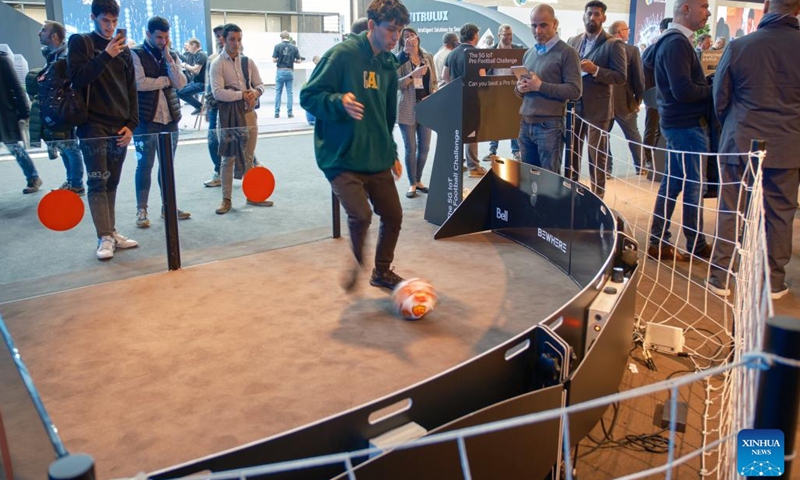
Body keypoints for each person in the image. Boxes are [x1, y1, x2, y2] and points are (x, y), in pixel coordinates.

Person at [300, 0, 408, 292]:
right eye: (390, 30)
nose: (395, 37)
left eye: (399, 31)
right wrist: (339, 102)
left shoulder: (387, 64)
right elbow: (308, 96)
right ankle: (358, 262)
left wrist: (393, 153)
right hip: (341, 156)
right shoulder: (341, 55)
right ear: (372, 26)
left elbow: (387, 117)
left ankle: (382, 272)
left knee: (394, 216)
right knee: (361, 215)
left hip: (376, 156)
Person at [707, 0, 800, 300]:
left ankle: (721, 276)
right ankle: (773, 281)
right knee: (781, 214)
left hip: (741, 141)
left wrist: (733, 125)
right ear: (797, 10)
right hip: (788, 146)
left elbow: (719, 97)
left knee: (731, 209)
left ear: (765, 6)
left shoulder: (739, 46)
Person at [68, 0, 139, 260]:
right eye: (105, 21)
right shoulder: (81, 42)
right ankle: (104, 236)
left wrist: (132, 124)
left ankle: (110, 231)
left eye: (114, 21)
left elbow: (131, 89)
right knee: (98, 180)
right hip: (92, 124)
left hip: (119, 125)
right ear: (93, 18)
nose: (110, 27)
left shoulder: (124, 50)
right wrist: (106, 54)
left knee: (113, 181)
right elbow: (78, 79)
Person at [642, 0, 712, 262]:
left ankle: (658, 240)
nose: (708, 12)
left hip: (676, 123)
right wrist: (713, 90)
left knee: (672, 184)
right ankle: (695, 244)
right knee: (693, 186)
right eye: (703, 6)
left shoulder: (671, 41)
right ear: (685, 8)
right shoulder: (676, 43)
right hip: (685, 125)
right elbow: (683, 91)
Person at [131, 16, 191, 228]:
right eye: (159, 37)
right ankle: (142, 209)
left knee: (167, 166)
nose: (163, 41)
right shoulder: (136, 54)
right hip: (146, 119)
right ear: (148, 34)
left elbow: (181, 83)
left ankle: (169, 206)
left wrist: (168, 59)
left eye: (166, 37)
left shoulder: (171, 54)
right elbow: (139, 83)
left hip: (170, 119)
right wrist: (166, 81)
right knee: (144, 164)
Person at [567, 0, 627, 198]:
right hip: (575, 105)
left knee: (596, 157)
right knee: (572, 153)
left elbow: (620, 77)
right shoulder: (573, 41)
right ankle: (571, 194)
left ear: (603, 18)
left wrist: (596, 70)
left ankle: (598, 198)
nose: (592, 17)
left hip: (598, 109)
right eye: (589, 13)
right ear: (584, 16)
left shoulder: (613, 44)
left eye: (596, 14)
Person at [210, 23, 270, 214]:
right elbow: (218, 93)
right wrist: (242, 94)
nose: (236, 43)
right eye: (232, 39)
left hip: (249, 114)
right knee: (228, 158)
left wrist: (255, 92)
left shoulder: (248, 62)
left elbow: (261, 85)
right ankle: (226, 199)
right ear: (223, 40)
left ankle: (253, 195)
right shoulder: (217, 64)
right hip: (228, 117)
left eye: (239, 39)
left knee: (249, 156)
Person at [514, 4, 581, 173]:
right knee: (528, 179)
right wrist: (520, 88)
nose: (538, 31)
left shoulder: (567, 52)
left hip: (549, 126)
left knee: (549, 182)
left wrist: (540, 86)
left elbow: (575, 90)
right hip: (525, 124)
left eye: (543, 25)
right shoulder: (529, 53)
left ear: (554, 24)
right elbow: (522, 92)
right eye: (534, 25)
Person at [38, 20, 84, 194]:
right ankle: (72, 180)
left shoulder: (64, 56)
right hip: (57, 109)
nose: (39, 34)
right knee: (65, 147)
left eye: (43, 30)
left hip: (65, 110)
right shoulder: (53, 56)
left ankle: (77, 184)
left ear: (54, 36)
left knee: (71, 146)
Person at [442, 22, 487, 178]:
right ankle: (473, 166)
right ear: (474, 35)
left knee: (457, 132)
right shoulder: (476, 54)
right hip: (472, 99)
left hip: (456, 99)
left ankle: (457, 165)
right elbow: (482, 77)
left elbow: (444, 76)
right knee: (472, 133)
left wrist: (454, 87)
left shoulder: (452, 53)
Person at [397, 26, 437, 198]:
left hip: (425, 106)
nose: (410, 38)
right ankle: (412, 183)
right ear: (402, 41)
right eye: (406, 37)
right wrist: (413, 74)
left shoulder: (427, 57)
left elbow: (434, 81)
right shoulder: (399, 59)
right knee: (410, 147)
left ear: (418, 37)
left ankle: (419, 179)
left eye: (412, 35)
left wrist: (433, 95)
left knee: (425, 147)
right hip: (407, 107)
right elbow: (397, 84)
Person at [0, 51, 42, 194]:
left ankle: (33, 177)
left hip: (3, 115)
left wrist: (25, 112)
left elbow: (16, 87)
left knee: (14, 147)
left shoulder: (2, 59)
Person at [609, 20, 645, 175]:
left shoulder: (603, 48)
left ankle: (605, 169)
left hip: (605, 103)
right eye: (627, 29)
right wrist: (638, 100)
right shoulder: (631, 51)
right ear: (620, 32)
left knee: (603, 137)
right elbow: (639, 79)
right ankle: (641, 167)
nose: (629, 32)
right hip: (625, 102)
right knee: (633, 136)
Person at [483, 24, 524, 163]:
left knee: (513, 121)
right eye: (506, 34)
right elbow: (484, 70)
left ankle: (516, 151)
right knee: (496, 121)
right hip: (495, 91)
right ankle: (492, 150)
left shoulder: (518, 50)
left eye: (510, 34)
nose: (509, 37)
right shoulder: (491, 51)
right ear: (499, 35)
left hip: (513, 91)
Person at [642, 17, 671, 172]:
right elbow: (645, 72)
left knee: (660, 128)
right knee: (651, 127)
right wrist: (647, 94)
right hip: (653, 95)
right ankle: (646, 158)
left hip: (665, 96)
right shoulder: (653, 49)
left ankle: (655, 157)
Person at [203, 25, 225, 188]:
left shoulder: (241, 58)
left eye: (221, 35)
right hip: (214, 105)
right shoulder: (212, 58)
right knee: (212, 140)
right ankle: (219, 171)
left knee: (240, 140)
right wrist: (206, 105)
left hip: (231, 106)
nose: (219, 38)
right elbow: (207, 84)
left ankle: (254, 166)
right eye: (216, 36)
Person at [272, 31, 302, 119]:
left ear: (281, 37)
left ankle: (277, 113)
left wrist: (280, 60)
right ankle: (290, 113)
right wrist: (293, 61)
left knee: (278, 92)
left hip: (280, 71)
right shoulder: (294, 47)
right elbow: (299, 60)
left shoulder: (277, 46)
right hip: (289, 71)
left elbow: (274, 60)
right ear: (289, 37)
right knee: (290, 93)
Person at [176, 38, 207, 115]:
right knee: (178, 91)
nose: (188, 49)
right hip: (197, 81)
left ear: (193, 45)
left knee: (180, 93)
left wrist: (185, 65)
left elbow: (196, 70)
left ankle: (200, 106)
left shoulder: (201, 55)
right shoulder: (198, 55)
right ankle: (199, 106)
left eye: (189, 46)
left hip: (202, 83)